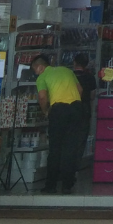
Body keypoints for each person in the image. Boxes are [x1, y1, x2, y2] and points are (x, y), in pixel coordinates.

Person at [30, 55, 84, 194]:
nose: (36, 73)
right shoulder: (67, 70)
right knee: (70, 147)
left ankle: (51, 185)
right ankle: (67, 185)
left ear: (40, 67)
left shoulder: (42, 77)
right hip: (76, 108)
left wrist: (46, 111)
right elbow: (80, 90)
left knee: (55, 148)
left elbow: (42, 97)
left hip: (58, 110)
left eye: (35, 70)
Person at [73, 53, 97, 130]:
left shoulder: (70, 75)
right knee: (83, 131)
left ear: (75, 62)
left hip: (71, 107)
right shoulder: (90, 77)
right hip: (85, 107)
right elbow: (92, 95)